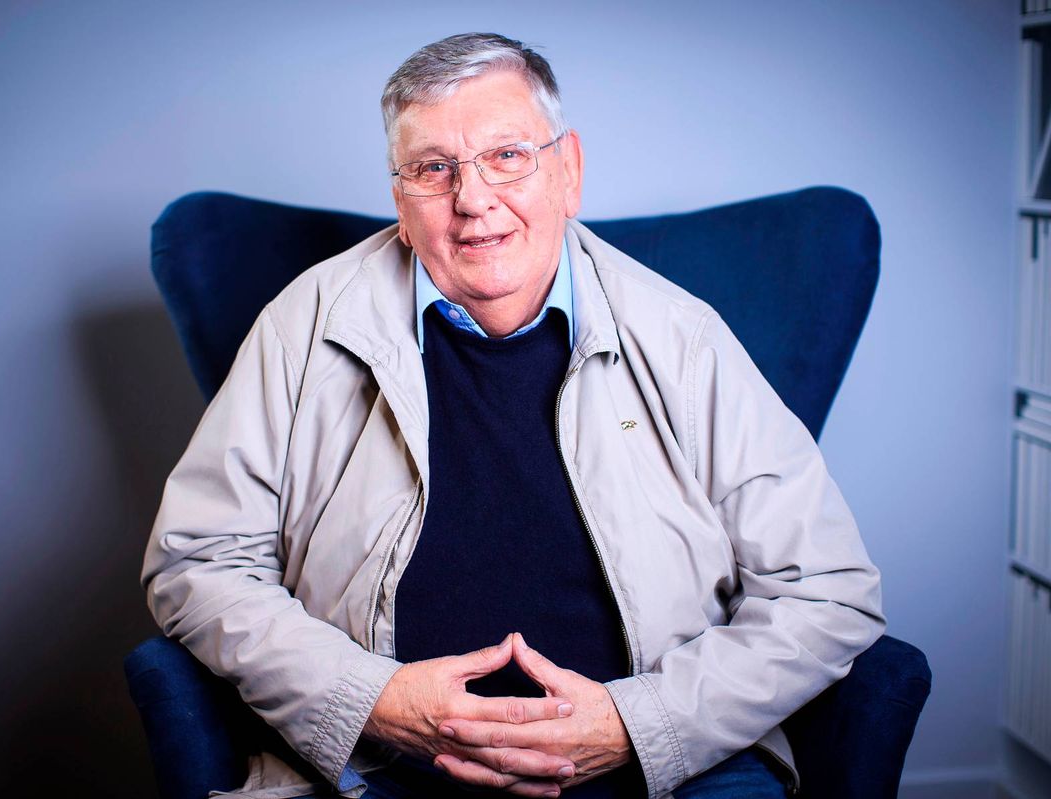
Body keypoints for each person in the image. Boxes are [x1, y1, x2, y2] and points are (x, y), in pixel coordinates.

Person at [141, 32, 886, 799]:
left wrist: (639, 722)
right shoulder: (304, 324)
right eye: (434, 168)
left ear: (568, 172)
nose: (472, 199)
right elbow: (197, 562)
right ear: (400, 201)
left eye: (508, 156)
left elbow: (827, 591)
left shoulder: (682, 337)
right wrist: (369, 698)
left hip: (666, 771)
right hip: (380, 770)